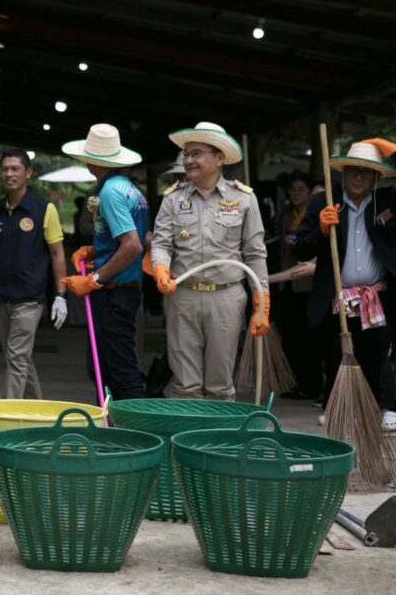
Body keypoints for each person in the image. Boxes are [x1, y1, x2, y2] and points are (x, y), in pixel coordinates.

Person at [151, 121, 270, 400]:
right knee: (185, 385)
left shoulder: (244, 199)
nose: (188, 160)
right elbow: (161, 244)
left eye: (196, 153)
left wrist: (262, 301)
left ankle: (219, 430)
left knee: (220, 385)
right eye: (186, 154)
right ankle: (188, 429)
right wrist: (161, 268)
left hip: (226, 297)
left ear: (219, 158)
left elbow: (255, 253)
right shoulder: (172, 199)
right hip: (182, 296)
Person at [294, 138, 396, 431]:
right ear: (343, 173)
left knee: (376, 357)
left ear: (376, 176)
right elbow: (301, 248)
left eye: (366, 172)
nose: (358, 177)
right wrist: (321, 230)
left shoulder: (387, 202)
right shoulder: (324, 202)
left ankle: (380, 409)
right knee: (336, 358)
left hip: (376, 296)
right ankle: (337, 408)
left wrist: (394, 153)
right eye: (352, 170)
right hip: (336, 298)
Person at [0, 149, 68, 399]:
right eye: (5, 169)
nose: (9, 174)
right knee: (18, 357)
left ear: (28, 173)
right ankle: (36, 409)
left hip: (29, 297)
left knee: (17, 356)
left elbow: (57, 254)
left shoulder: (44, 209)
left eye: (15, 169)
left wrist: (61, 295)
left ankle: (7, 413)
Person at [60, 124, 149, 400]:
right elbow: (138, 238)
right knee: (108, 366)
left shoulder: (110, 192)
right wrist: (95, 250)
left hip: (113, 292)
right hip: (122, 289)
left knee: (117, 370)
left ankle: (130, 424)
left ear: (91, 159)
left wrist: (93, 280)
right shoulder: (128, 188)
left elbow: (132, 245)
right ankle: (115, 422)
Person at [268, 171, 320, 400]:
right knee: (289, 335)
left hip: (306, 283)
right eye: (293, 190)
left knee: (307, 337)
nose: (296, 194)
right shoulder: (286, 214)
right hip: (286, 283)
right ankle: (298, 382)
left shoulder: (314, 214)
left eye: (301, 190)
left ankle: (312, 385)